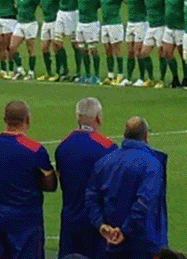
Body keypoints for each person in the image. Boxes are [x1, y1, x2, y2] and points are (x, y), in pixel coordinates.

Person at [0, 99, 57, 259]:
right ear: (28, 119)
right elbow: (51, 184)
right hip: (25, 219)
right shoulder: (33, 148)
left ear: (5, 119)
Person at [84, 117, 168, 259]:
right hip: (142, 243)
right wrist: (124, 230)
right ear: (146, 135)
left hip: (110, 241)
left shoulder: (104, 162)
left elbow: (91, 198)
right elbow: (144, 202)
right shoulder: (152, 164)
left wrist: (101, 225)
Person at [54, 98, 117, 259]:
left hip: (70, 219)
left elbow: (60, 176)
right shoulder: (108, 147)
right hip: (97, 223)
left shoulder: (63, 145)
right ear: (98, 118)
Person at [99, 0, 126, 85]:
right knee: (107, 49)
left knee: (116, 49)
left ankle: (120, 74)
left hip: (115, 23)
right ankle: (110, 75)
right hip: (104, 23)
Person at [121, 0, 148, 86]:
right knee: (130, 51)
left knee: (138, 51)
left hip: (141, 23)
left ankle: (142, 78)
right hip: (130, 23)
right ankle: (128, 77)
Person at [75, 0, 102, 83]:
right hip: (81, 22)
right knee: (83, 50)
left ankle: (96, 74)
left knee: (93, 50)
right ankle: (86, 74)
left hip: (91, 23)